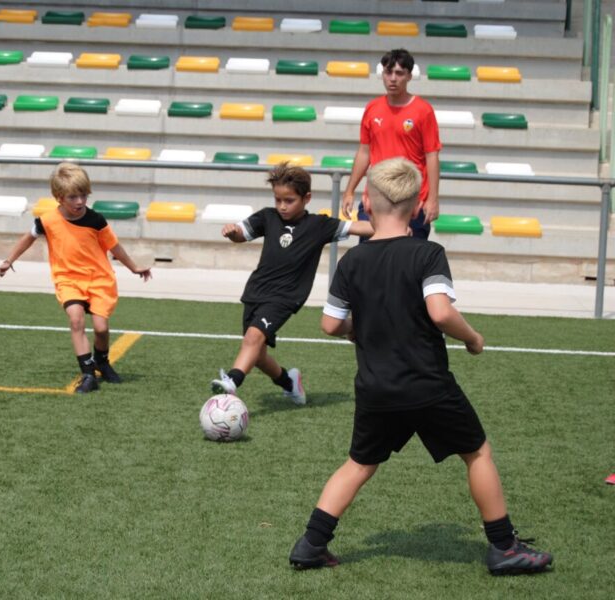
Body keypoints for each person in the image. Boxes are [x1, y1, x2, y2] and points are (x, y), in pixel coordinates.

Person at [289, 158, 552, 575]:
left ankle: (311, 544)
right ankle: (504, 547)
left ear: (367, 205)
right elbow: (441, 312)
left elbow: (330, 324)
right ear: (415, 208)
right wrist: (473, 338)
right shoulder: (428, 253)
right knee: (477, 452)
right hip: (427, 384)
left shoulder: (351, 262)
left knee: (359, 464)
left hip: (376, 387)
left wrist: (360, 328)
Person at [210, 162, 374, 404]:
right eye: (278, 200)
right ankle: (289, 382)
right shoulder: (267, 217)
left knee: (253, 338)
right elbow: (241, 235)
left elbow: (358, 227)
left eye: (289, 200)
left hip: (286, 297)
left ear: (306, 198)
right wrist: (233, 232)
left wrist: (395, 228)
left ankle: (232, 381)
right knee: (257, 354)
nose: (282, 206)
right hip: (256, 291)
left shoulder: (318, 225)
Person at [0, 162, 152, 394]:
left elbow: (114, 247)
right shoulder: (47, 220)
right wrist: (9, 260)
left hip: (99, 279)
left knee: (101, 328)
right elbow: (27, 238)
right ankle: (88, 375)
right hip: (68, 279)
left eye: (83, 195)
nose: (80, 201)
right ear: (59, 197)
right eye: (73, 197)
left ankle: (102, 362)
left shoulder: (96, 220)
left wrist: (133, 267)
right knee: (76, 320)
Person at [341, 48, 441, 240]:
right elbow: (364, 152)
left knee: (409, 257)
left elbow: (432, 155)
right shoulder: (372, 108)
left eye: (399, 73)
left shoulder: (423, 110)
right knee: (370, 256)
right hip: (376, 197)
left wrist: (433, 199)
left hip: (411, 199)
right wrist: (349, 191)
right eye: (388, 72)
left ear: (409, 76)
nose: (393, 78)